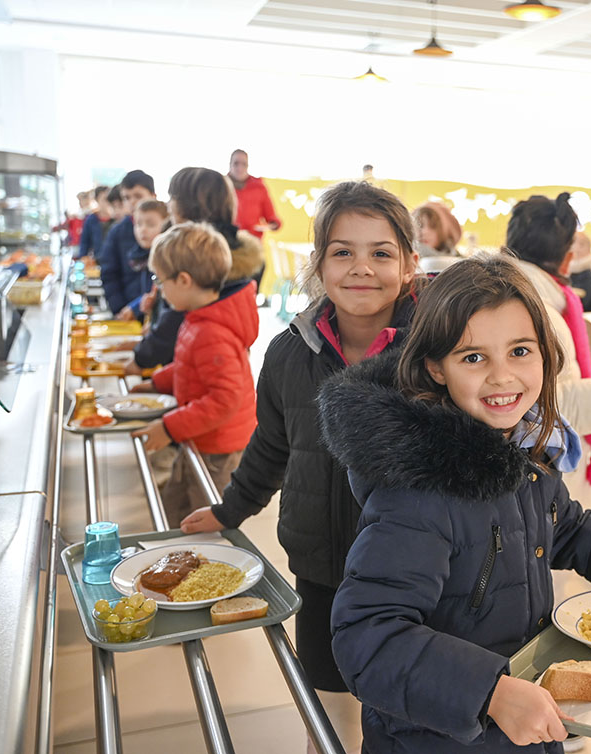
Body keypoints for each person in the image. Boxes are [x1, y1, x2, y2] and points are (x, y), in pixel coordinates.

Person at [320, 254, 591, 754]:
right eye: (473, 357)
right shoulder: (419, 493)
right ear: (436, 368)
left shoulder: (522, 447)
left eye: (520, 351)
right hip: (438, 736)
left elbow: (565, 525)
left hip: (521, 721)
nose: (502, 377)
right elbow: (367, 636)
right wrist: (489, 692)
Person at [179, 181, 421, 752]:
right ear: (317, 264)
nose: (362, 267)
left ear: (410, 264)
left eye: (381, 253)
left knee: (407, 706)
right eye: (343, 251)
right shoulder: (289, 353)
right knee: (327, 709)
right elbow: (272, 444)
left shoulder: (434, 352)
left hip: (418, 571)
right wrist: (230, 508)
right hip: (321, 565)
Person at [504, 194, 591, 469]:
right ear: (567, 260)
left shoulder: (492, 293)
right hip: (530, 468)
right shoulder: (544, 315)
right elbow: (551, 404)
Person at [129, 223, 259, 526]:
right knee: (174, 505)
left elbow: (224, 399)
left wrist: (169, 427)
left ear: (184, 280)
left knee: (206, 521)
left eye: (160, 280)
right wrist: (157, 383)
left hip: (217, 449)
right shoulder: (199, 319)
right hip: (199, 437)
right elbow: (190, 366)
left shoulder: (212, 331)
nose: (159, 288)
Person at [128, 167, 263, 371]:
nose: (169, 204)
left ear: (188, 205)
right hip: (218, 366)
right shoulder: (237, 252)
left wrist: (142, 358)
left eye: (173, 196)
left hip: (189, 368)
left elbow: (174, 322)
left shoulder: (191, 255)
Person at [98, 170, 156, 315]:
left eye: (138, 196)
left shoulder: (167, 228)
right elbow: (109, 273)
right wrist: (120, 308)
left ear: (153, 196)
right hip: (127, 311)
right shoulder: (117, 232)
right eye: (126, 198)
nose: (132, 202)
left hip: (158, 311)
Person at [116, 199, 170, 322]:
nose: (143, 230)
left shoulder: (166, 259)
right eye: (138, 224)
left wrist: (135, 307)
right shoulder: (137, 256)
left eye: (150, 225)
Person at [228, 149, 281, 240]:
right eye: (236, 163)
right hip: (228, 240)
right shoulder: (222, 185)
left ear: (248, 165)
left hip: (252, 242)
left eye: (243, 164)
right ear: (230, 165)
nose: (240, 168)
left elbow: (272, 217)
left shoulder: (259, 187)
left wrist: (272, 225)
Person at [78, 185, 113, 259]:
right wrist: (83, 260)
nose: (108, 202)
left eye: (110, 199)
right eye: (104, 199)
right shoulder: (91, 220)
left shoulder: (117, 220)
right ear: (97, 200)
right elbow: (84, 243)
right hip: (98, 262)